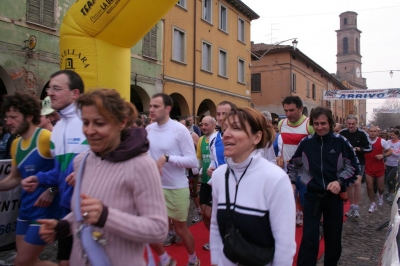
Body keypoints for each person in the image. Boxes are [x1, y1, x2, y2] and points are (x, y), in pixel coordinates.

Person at [38, 89, 168, 266]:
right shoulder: (81, 161)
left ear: (121, 122)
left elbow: (158, 229)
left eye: (99, 123)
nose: (90, 131)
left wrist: (107, 216)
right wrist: (63, 226)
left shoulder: (142, 166)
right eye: (85, 123)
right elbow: (84, 212)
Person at [210, 107, 296, 266]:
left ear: (256, 137)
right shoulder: (218, 176)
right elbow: (216, 227)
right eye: (225, 128)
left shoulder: (275, 179)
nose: (226, 134)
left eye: (236, 128)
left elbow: (285, 245)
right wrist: (216, 261)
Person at [21, 70, 89, 266]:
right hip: (67, 211)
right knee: (64, 263)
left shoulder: (90, 121)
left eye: (56, 88)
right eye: (50, 88)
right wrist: (41, 179)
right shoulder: (57, 128)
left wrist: (87, 172)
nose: (50, 93)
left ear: (75, 93)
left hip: (92, 210)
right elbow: (60, 172)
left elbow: (111, 162)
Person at [287, 107, 359, 266]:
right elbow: (293, 165)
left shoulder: (340, 142)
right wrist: (291, 182)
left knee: (333, 238)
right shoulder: (306, 143)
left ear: (331, 123)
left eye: (323, 123)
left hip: (333, 197)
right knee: (309, 238)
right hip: (312, 195)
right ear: (312, 124)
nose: (320, 127)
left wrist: (340, 181)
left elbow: (354, 166)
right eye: (317, 124)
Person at [0, 92, 60, 266]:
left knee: (22, 262)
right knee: (30, 262)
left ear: (29, 116)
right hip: (25, 209)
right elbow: (14, 178)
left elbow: (64, 170)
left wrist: (51, 190)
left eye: (13, 117)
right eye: (6, 117)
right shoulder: (15, 144)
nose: (8, 122)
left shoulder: (45, 138)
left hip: (46, 211)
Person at [147, 93, 199, 266]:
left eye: (156, 106)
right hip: (155, 187)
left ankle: (193, 259)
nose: (151, 109)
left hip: (176, 187)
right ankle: (164, 259)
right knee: (152, 228)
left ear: (168, 109)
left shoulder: (179, 130)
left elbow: (192, 161)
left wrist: (167, 158)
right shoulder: (148, 130)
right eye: (150, 106)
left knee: (180, 229)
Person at [277, 96, 314, 227]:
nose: (288, 114)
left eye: (292, 110)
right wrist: (281, 157)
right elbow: (284, 145)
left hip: (305, 172)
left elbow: (315, 150)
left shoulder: (309, 125)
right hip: (288, 171)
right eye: (286, 110)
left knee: (305, 201)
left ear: (301, 109)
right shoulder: (282, 124)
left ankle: (310, 222)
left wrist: (301, 160)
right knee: (287, 201)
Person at [340, 114, 372, 218]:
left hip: (359, 161)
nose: (351, 126)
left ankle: (356, 207)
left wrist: (359, 149)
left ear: (356, 124)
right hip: (346, 162)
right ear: (346, 123)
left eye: (353, 124)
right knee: (349, 184)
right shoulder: (342, 133)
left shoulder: (362, 133)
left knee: (357, 184)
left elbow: (370, 147)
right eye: (349, 124)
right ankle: (352, 206)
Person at [196, 115, 216, 251]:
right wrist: (196, 170)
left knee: (209, 212)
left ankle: (217, 238)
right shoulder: (201, 140)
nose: (203, 127)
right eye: (202, 124)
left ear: (214, 125)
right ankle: (213, 237)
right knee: (203, 213)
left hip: (215, 182)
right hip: (204, 181)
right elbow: (199, 159)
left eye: (206, 125)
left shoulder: (219, 138)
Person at [364, 126, 392, 213]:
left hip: (379, 168)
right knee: (369, 186)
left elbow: (390, 151)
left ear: (377, 133)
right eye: (371, 131)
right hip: (368, 167)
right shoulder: (365, 141)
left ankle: (380, 195)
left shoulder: (382, 141)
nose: (372, 133)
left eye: (374, 131)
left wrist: (382, 156)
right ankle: (373, 203)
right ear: (368, 132)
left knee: (380, 188)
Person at [179, 118, 201, 224]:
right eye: (180, 125)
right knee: (183, 191)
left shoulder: (193, 134)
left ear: (188, 126)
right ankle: (183, 213)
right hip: (181, 167)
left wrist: (191, 143)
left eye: (183, 125)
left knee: (193, 192)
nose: (181, 127)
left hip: (191, 168)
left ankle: (198, 211)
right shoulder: (177, 135)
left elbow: (198, 148)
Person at [207, 101, 237, 178]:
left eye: (225, 114)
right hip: (219, 185)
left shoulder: (240, 137)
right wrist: (210, 168)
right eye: (218, 114)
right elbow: (213, 160)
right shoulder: (213, 138)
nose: (220, 118)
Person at [386, 129, 400, 202]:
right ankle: (391, 192)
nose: (392, 137)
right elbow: (385, 149)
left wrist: (391, 151)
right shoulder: (388, 142)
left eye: (393, 135)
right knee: (389, 180)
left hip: (396, 164)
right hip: (388, 163)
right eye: (391, 135)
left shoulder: (399, 143)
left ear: (397, 135)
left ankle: (392, 193)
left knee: (389, 178)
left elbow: (398, 154)